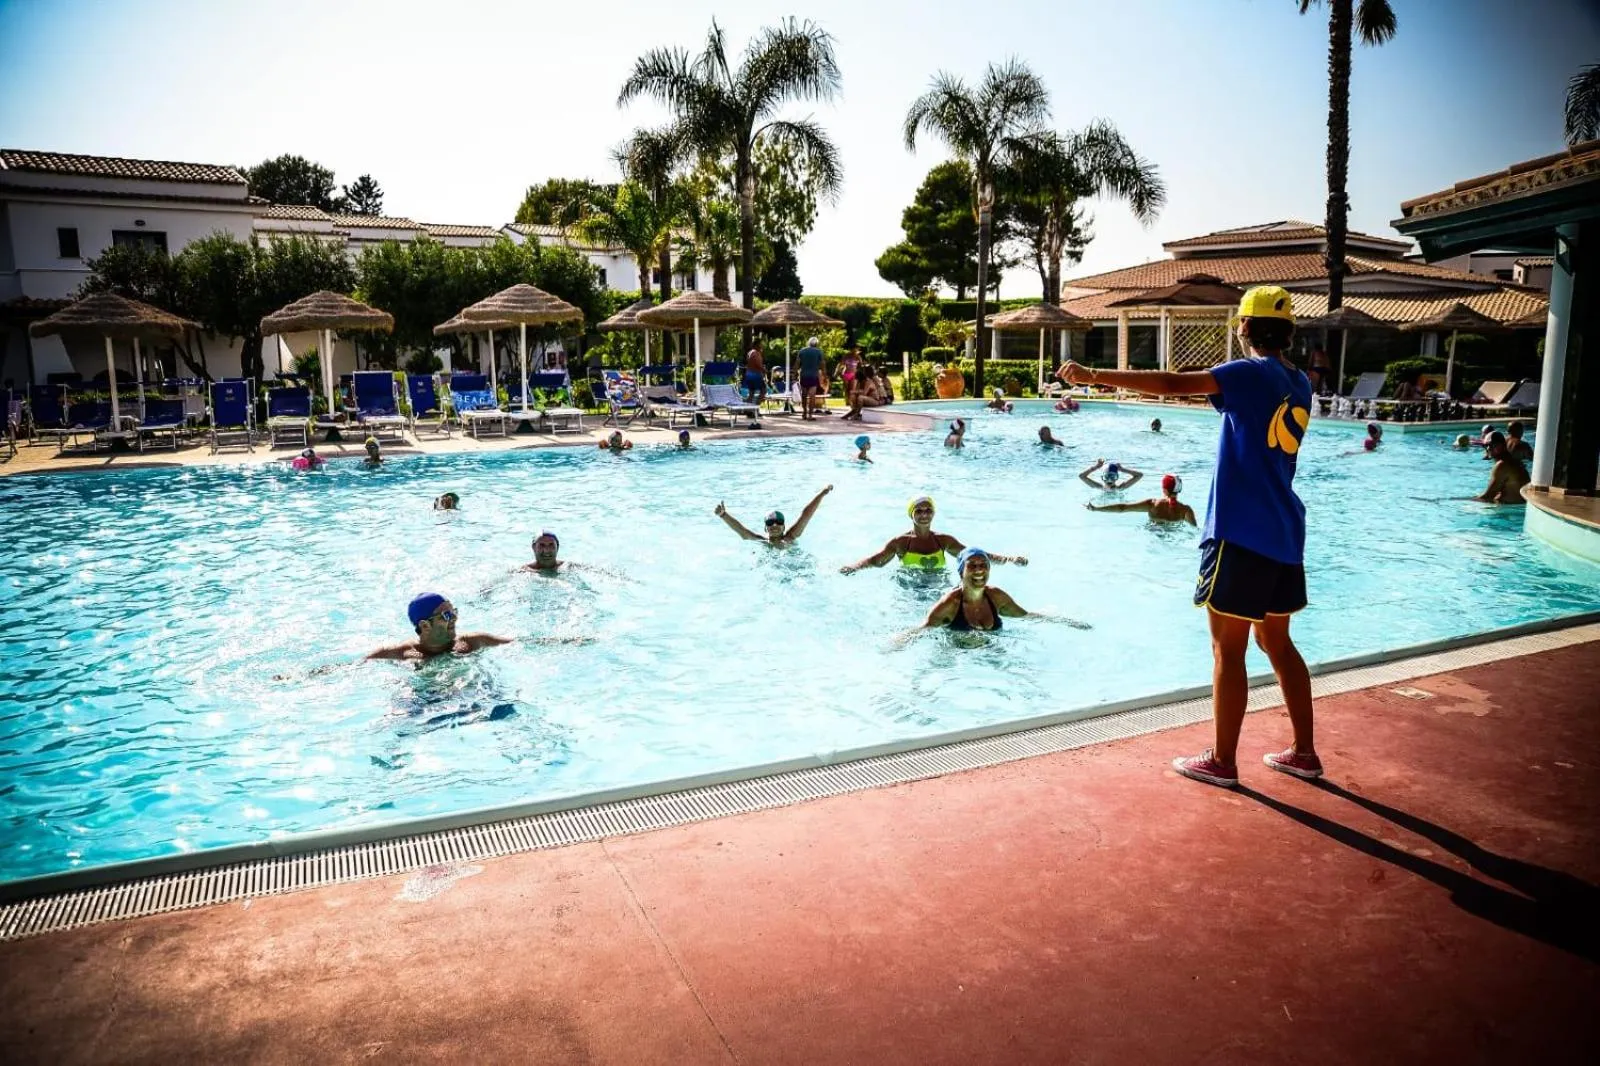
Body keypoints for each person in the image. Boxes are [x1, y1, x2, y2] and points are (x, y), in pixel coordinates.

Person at [1059, 283, 1318, 789]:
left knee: (1228, 650)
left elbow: (1173, 384)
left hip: (1240, 532)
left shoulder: (1247, 373)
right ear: (1288, 332)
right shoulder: (1299, 381)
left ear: (1245, 327)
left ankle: (1222, 760)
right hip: (1285, 530)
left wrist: (1094, 376)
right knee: (1276, 641)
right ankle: (1304, 752)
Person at [841, 496, 1027, 573]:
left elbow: (973, 555)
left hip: (937, 588)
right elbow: (876, 561)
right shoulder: (901, 542)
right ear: (911, 514)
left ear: (934, 513)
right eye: (919, 511)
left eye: (928, 510)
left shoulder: (943, 541)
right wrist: (853, 567)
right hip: (909, 589)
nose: (924, 515)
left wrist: (1009, 559)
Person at [367, 593, 511, 661]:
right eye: (446, 615)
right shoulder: (399, 654)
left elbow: (515, 644)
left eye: (454, 612)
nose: (454, 618)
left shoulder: (475, 642)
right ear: (425, 625)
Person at [922, 548, 1029, 631]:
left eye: (983, 564)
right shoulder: (949, 604)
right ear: (961, 573)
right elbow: (922, 630)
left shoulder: (996, 596)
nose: (979, 570)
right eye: (972, 565)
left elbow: (1026, 616)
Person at [715, 485, 832, 546]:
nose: (775, 525)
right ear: (765, 528)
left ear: (784, 527)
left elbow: (806, 515)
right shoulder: (762, 541)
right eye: (770, 522)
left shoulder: (790, 537)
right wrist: (723, 515)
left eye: (779, 522)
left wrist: (822, 494)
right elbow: (742, 531)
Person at [1086, 473, 1197, 525]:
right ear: (1179, 489)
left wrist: (1096, 508)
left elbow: (1122, 508)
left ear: (1164, 489)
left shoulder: (1152, 504)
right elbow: (1194, 529)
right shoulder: (1186, 510)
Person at [1478, 432, 1530, 504]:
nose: (1488, 448)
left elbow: (1488, 497)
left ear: (1502, 445)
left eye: (1492, 444)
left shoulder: (1502, 465)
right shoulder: (1514, 461)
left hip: (1511, 508)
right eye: (1485, 445)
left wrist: (1462, 501)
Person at [797, 336, 826, 421]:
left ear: (808, 343)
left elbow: (797, 363)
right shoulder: (819, 352)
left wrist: (794, 373)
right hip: (813, 376)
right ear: (816, 344)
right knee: (812, 396)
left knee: (804, 395)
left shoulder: (802, 351)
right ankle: (810, 415)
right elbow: (823, 364)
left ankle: (804, 413)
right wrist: (824, 374)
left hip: (803, 375)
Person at [1079, 459, 1143, 492]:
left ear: (1117, 477)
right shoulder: (1099, 487)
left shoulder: (1121, 487)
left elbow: (1140, 475)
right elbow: (1081, 476)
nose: (1109, 480)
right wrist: (1096, 467)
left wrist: (1123, 469)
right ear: (1102, 478)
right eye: (1106, 477)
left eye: (1112, 477)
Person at [743, 342, 767, 406]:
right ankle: (756, 406)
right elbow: (757, 363)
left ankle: (747, 408)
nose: (762, 347)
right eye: (760, 345)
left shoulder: (749, 352)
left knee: (751, 393)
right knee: (763, 390)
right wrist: (764, 370)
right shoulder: (756, 353)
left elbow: (749, 362)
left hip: (748, 374)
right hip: (755, 375)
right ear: (757, 346)